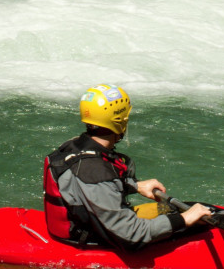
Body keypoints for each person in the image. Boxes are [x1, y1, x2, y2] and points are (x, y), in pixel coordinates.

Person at [43, 83, 213, 249]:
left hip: (81, 225)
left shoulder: (74, 146)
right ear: (120, 122)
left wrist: (135, 186)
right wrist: (184, 220)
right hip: (92, 239)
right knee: (195, 222)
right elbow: (131, 234)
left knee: (191, 208)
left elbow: (90, 188)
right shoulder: (94, 171)